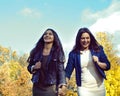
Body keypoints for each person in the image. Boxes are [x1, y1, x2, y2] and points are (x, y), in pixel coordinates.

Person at [65, 27, 110, 96]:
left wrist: (98, 62)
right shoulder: (73, 54)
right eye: (82, 38)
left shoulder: (98, 50)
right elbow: (68, 72)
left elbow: (107, 66)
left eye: (87, 38)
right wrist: (63, 85)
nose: (85, 40)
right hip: (83, 89)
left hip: (99, 88)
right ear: (79, 40)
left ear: (90, 38)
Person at [27, 28, 67, 96]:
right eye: (45, 34)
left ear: (54, 38)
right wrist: (33, 67)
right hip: (37, 87)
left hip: (51, 87)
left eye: (50, 34)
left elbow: (61, 70)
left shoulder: (57, 53)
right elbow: (29, 67)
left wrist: (63, 85)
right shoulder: (36, 51)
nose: (47, 35)